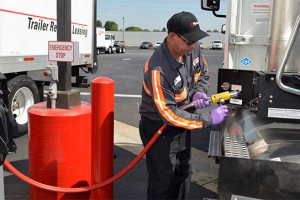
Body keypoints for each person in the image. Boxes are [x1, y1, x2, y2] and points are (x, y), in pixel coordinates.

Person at [139, 11, 228, 199]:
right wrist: (207, 119)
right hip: (160, 130)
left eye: (195, 40)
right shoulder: (157, 70)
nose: (193, 45)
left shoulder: (192, 49)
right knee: (163, 180)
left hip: (183, 123)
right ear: (172, 36)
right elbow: (168, 114)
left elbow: (203, 73)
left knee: (183, 172)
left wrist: (198, 92)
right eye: (189, 41)